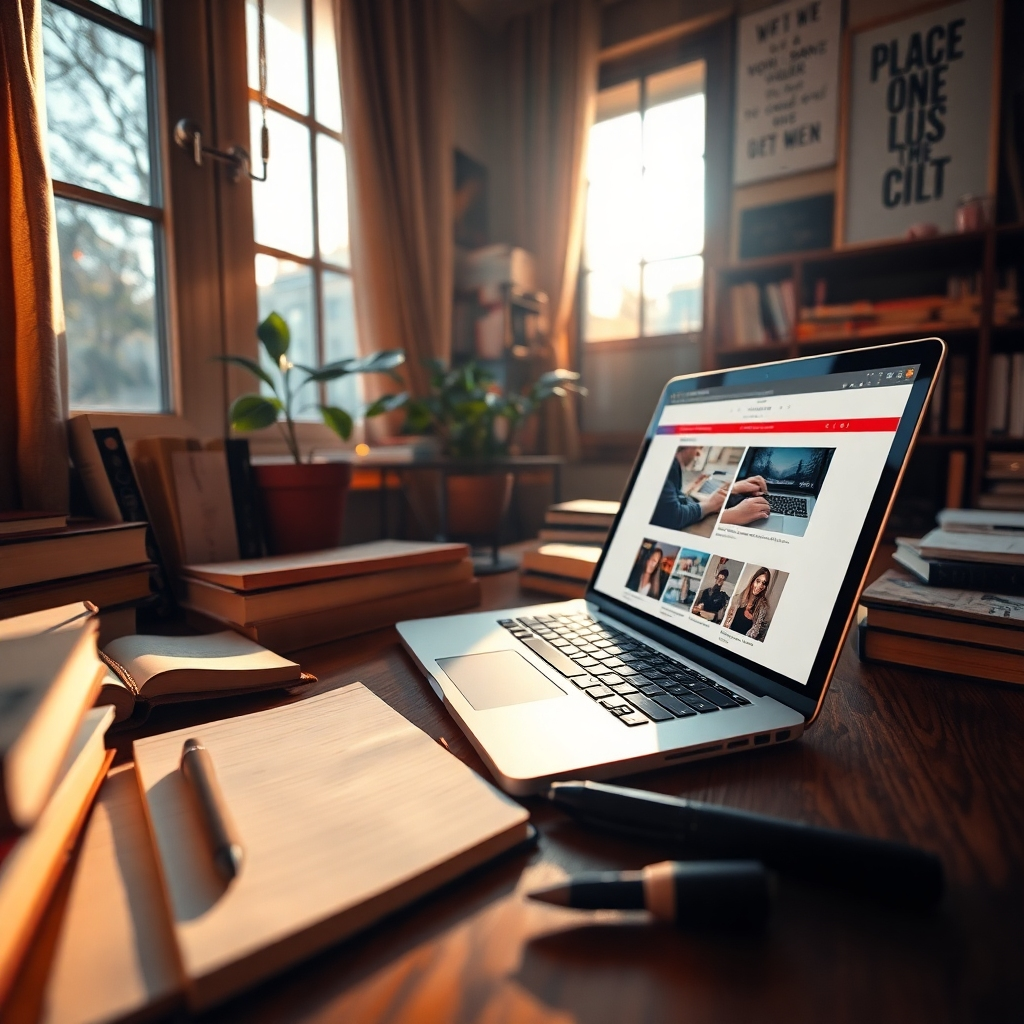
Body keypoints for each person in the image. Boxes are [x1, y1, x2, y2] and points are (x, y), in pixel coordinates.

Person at [651, 446, 772, 530]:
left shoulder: (669, 466)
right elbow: (672, 517)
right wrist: (728, 514)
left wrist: (732, 488)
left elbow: (674, 501)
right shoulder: (665, 466)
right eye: (698, 447)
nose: (698, 453)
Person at [723, 567, 772, 640]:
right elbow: (727, 621)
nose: (760, 586)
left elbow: (757, 633)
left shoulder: (763, 607)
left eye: (764, 583)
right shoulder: (737, 599)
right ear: (753, 581)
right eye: (758, 581)